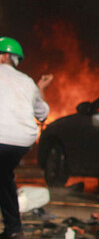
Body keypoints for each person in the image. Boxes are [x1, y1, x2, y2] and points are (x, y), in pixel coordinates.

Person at [0, 38, 52, 239]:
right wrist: (42, 88)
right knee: (4, 177)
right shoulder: (28, 81)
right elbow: (43, 113)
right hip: (21, 140)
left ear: (5, 56)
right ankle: (13, 229)